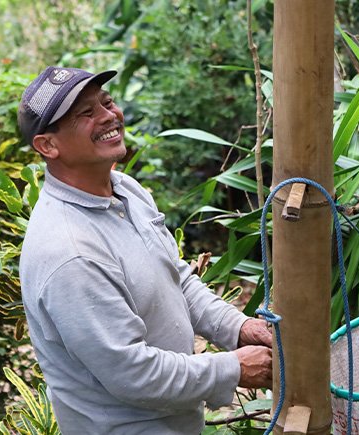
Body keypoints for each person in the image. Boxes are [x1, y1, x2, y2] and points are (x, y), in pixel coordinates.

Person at [18, 66, 273, 434]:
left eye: (106, 102)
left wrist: (238, 327)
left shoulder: (125, 190)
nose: (108, 116)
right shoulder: (69, 252)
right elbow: (133, 374)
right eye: (85, 114)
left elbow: (176, 278)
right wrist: (233, 368)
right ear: (48, 145)